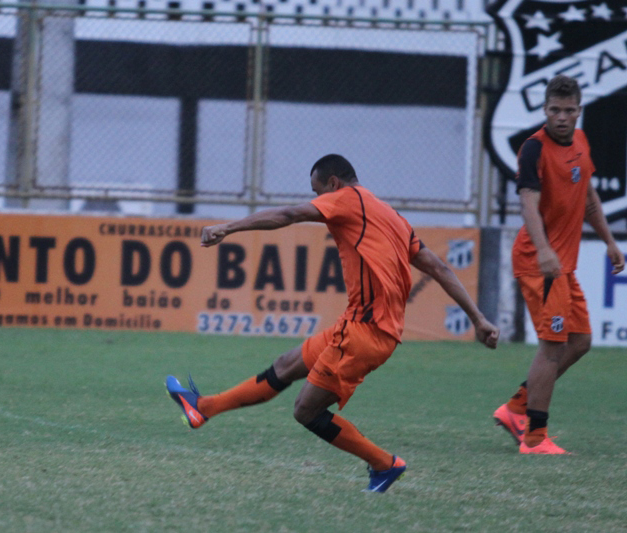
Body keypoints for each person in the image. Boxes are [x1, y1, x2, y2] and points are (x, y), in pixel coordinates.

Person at [165, 154, 499, 493]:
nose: (317, 200)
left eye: (318, 191)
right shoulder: (392, 217)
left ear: (334, 184)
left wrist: (228, 227)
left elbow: (290, 214)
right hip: (360, 326)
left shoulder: (346, 200)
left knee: (305, 411)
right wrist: (479, 319)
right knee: (286, 365)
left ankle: (385, 463)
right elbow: (439, 268)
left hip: (365, 333)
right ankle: (203, 408)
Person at [493, 75, 625, 454]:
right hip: (540, 263)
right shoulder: (534, 149)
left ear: (579, 111)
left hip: (562, 265)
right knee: (552, 347)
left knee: (581, 340)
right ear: (544, 109)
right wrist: (545, 249)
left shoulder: (580, 142)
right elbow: (527, 204)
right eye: (555, 110)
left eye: (569, 111)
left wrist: (610, 242)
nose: (562, 117)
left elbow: (587, 196)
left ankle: (517, 407)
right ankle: (534, 437)